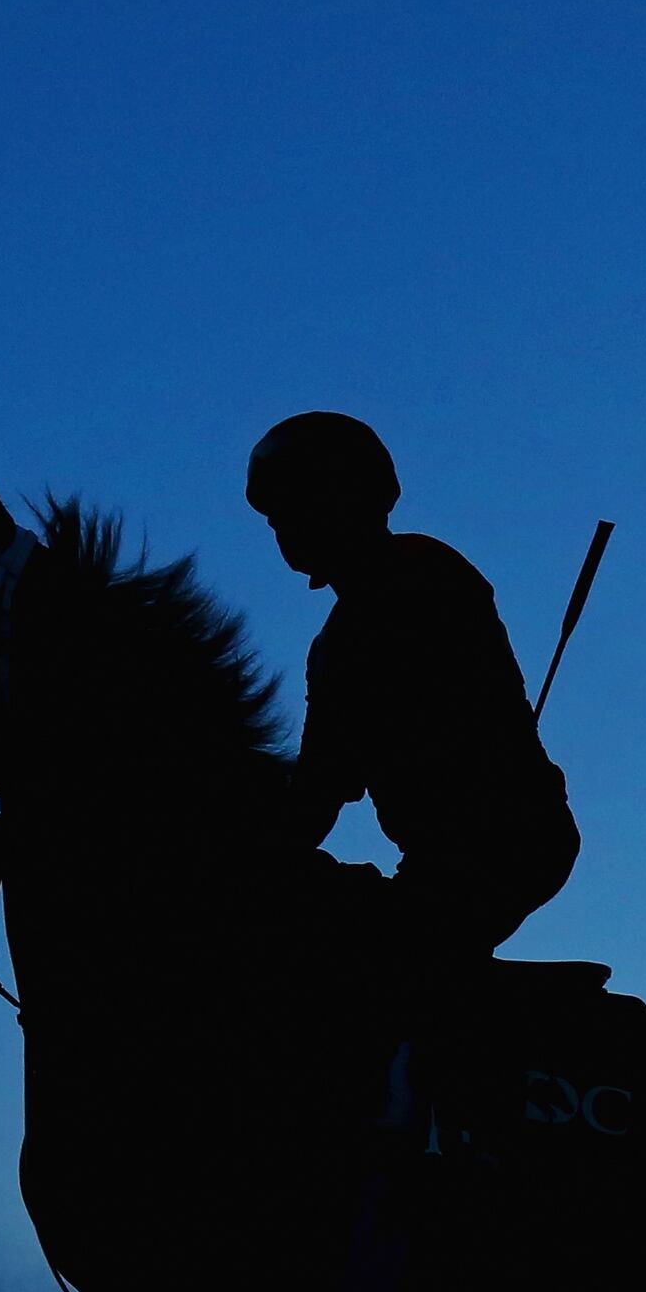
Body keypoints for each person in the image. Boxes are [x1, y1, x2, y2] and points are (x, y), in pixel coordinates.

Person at [246, 411, 581, 1001]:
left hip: (500, 845)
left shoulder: (417, 578)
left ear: (350, 497)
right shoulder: (338, 638)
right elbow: (322, 785)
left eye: (296, 505)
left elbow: (324, 786)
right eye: (275, 516)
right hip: (446, 858)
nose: (284, 528)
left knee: (363, 975)